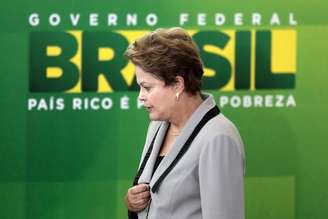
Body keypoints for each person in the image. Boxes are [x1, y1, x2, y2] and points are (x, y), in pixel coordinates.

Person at [124, 27, 245, 219]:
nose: (141, 97)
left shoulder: (218, 138)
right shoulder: (157, 125)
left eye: (147, 87)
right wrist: (134, 204)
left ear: (178, 84)